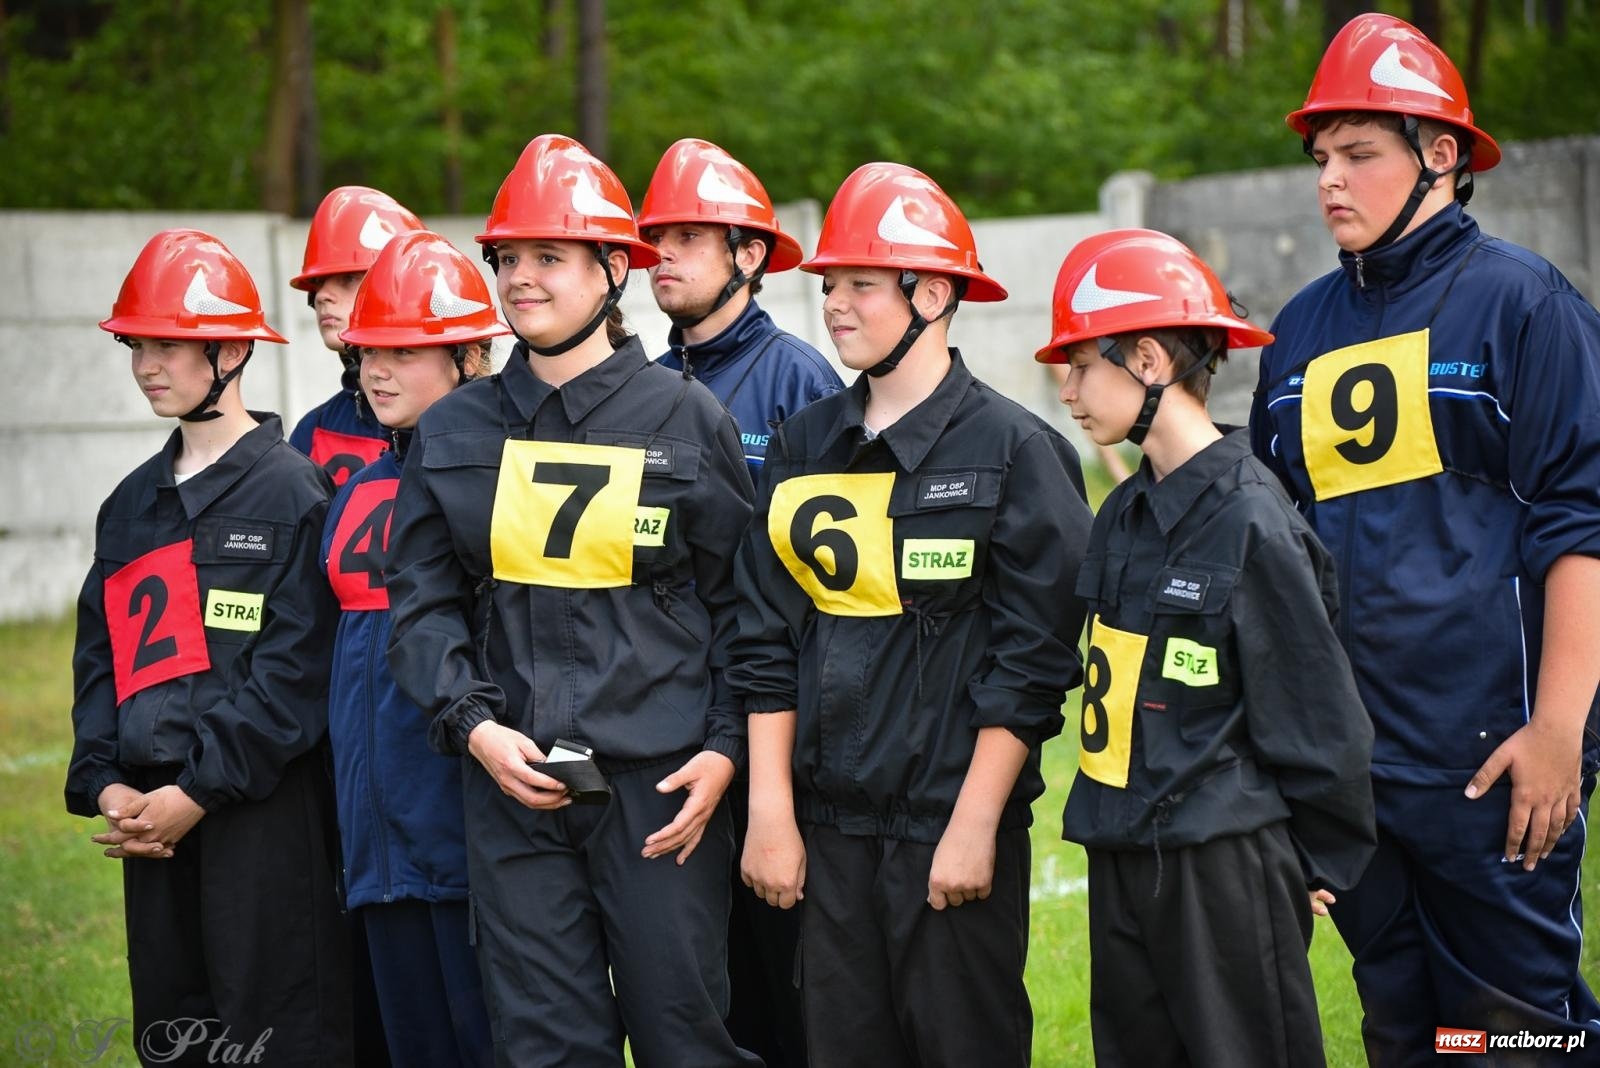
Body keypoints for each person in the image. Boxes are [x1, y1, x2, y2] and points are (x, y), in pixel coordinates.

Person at [1250, 13, 1600, 1061]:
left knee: (1515, 1040)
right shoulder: (1296, 334)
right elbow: (1279, 559)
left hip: (1490, 762)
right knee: (1400, 1028)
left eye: (1359, 154)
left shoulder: (1522, 303)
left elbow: (1579, 525)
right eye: (1321, 158)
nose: (1330, 182)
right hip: (1351, 774)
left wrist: (1558, 733)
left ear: (1439, 155)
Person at [383, 134, 760, 1068]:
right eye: (508, 259)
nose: (520, 279)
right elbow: (420, 604)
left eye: (548, 257)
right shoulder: (455, 429)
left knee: (686, 1039)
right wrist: (472, 724)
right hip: (512, 788)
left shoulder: (686, 418)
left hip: (662, 791)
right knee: (545, 1048)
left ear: (612, 270)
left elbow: (745, 608)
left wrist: (724, 750)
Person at [731, 161, 1092, 1068]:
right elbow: (767, 637)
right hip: (830, 837)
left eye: (860, 283)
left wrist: (973, 827)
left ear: (932, 292)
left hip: (953, 836)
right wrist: (771, 811)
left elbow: (1035, 663)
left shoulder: (1019, 453)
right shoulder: (804, 445)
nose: (835, 305)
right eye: (829, 285)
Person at [1043, 228, 1375, 1067]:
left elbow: (1318, 711)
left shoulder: (1253, 518)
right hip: (1123, 855)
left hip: (1224, 866)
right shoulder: (1122, 512)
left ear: (1148, 358)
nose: (1068, 390)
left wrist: (1308, 863)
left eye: (1083, 365)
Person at [65, 228, 352, 1065]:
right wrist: (106, 780)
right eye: (138, 345)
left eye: (171, 345)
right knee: (174, 1025)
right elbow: (101, 658)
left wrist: (198, 789)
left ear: (230, 352)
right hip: (148, 819)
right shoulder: (130, 503)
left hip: (257, 814)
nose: (149, 364)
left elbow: (293, 672)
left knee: (277, 1028)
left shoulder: (294, 489)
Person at [637, 136, 843, 1068]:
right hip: (665, 728)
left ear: (749, 255)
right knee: (691, 990)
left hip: (772, 728)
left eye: (688, 236)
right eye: (652, 238)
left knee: (782, 984)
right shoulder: (635, 387)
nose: (661, 256)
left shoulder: (800, 380)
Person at [322, 230, 504, 1068]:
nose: (376, 372)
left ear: (469, 355)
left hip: (473, 842)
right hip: (376, 844)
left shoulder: (511, 473)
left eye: (403, 350)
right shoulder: (357, 487)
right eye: (367, 352)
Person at [290, 185, 426, 486]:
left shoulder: (478, 424)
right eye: (319, 283)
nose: (323, 295)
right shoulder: (313, 430)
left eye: (349, 279)